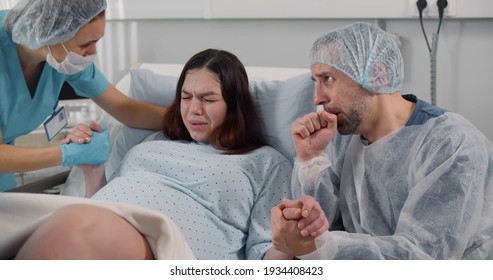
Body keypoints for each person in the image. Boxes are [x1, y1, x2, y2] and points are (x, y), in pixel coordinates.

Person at [0, 48, 302, 260]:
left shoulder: (266, 161)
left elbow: (265, 258)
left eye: (208, 99)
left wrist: (286, 245)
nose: (193, 109)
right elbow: (108, 199)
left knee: (76, 226)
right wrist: (92, 171)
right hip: (97, 223)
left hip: (166, 246)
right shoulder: (155, 140)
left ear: (235, 105)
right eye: (185, 97)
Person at [270, 22, 493, 260]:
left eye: (327, 78)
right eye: (315, 81)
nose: (317, 97)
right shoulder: (342, 140)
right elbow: (322, 226)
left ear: (378, 75)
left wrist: (317, 247)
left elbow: (424, 259)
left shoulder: (452, 145)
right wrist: (311, 158)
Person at [0, 0, 166, 191]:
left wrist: (182, 120)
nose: (93, 52)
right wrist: (67, 153)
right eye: (87, 44)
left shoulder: (60, 55)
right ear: (51, 35)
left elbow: (126, 109)